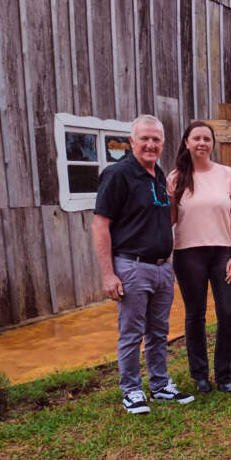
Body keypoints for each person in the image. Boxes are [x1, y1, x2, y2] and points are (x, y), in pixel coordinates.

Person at [92, 115, 194, 414]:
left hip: (163, 267)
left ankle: (160, 385)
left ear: (163, 144)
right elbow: (100, 226)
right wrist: (108, 274)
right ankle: (132, 390)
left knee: (158, 331)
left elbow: (167, 218)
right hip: (132, 266)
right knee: (132, 332)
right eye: (144, 138)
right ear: (132, 141)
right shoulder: (117, 174)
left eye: (156, 140)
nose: (150, 144)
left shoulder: (159, 176)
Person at [168, 121, 231, 394]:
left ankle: (224, 375)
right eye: (196, 138)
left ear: (212, 144)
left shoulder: (227, 175)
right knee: (195, 314)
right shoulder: (175, 178)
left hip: (223, 252)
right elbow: (170, 219)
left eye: (207, 139)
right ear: (186, 142)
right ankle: (200, 375)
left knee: (227, 313)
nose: (202, 143)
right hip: (188, 254)